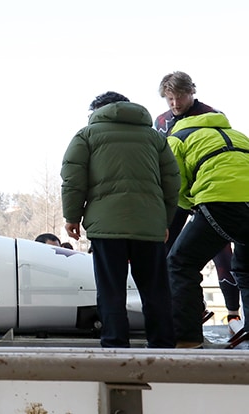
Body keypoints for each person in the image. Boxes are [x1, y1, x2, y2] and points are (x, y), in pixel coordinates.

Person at [61, 91, 180, 348]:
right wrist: (165, 221)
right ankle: (163, 346)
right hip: (149, 226)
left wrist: (72, 216)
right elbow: (172, 181)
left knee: (111, 289)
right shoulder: (154, 138)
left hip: (106, 227)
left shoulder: (87, 135)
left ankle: (115, 344)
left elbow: (73, 179)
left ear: (98, 112)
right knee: (156, 290)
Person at [155, 71, 241, 327]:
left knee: (221, 252)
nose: (175, 103)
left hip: (209, 190)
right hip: (181, 191)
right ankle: (184, 306)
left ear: (191, 92)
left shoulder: (211, 114)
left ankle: (232, 310)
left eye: (179, 96)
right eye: (169, 98)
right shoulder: (161, 121)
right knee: (169, 249)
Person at [165, 109, 249, 348]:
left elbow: (174, 183)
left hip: (221, 200)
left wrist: (191, 205)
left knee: (181, 263)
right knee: (245, 270)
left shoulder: (178, 138)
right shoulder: (238, 135)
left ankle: (187, 339)